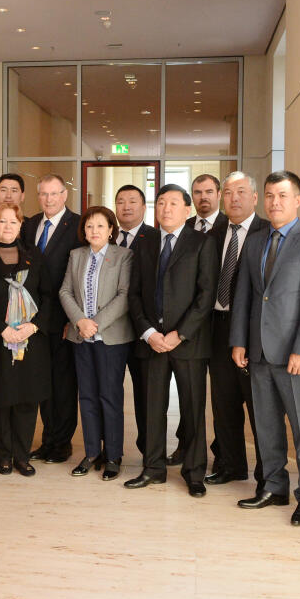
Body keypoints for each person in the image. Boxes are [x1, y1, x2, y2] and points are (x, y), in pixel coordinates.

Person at [231, 170, 300, 526]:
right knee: (267, 426)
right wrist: (239, 340)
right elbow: (243, 294)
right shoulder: (256, 240)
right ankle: (273, 487)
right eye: (270, 195)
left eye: (283, 196)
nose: (275, 202)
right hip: (257, 351)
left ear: (298, 200)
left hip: (294, 355)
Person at [124, 184, 218, 497]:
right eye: (161, 203)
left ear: (187, 209)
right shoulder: (145, 243)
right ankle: (153, 468)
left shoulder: (202, 243)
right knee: (152, 408)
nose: (166, 209)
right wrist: (149, 332)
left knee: (192, 410)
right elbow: (134, 294)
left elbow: (206, 296)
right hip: (152, 341)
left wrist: (179, 333)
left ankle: (194, 473)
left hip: (188, 342)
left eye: (174, 203)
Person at [60, 206, 134, 480]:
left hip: (111, 338)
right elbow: (65, 291)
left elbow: (124, 295)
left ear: (111, 229)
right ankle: (92, 452)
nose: (94, 231)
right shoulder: (76, 255)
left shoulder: (124, 256)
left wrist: (96, 323)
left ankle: (113, 455)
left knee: (110, 396)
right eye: (89, 226)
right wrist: (81, 321)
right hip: (81, 337)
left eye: (100, 226)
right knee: (88, 396)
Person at [0, 202, 49, 476]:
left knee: (26, 399)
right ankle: (3, 455)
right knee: (1, 398)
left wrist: (33, 326)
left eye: (13, 222)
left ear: (21, 226)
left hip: (31, 340)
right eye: (2, 221)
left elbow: (49, 297)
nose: (7, 227)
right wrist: (0, 328)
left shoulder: (34, 256)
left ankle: (22, 456)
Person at [206, 172, 267, 488]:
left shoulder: (268, 231)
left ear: (255, 197)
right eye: (228, 192)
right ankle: (231, 464)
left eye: (241, 191)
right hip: (218, 326)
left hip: (253, 331)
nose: (234, 198)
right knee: (223, 401)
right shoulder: (213, 232)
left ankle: (265, 475)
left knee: (258, 406)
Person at [23, 174, 81, 463]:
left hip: (63, 320)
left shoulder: (79, 225)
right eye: (43, 194)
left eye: (54, 194)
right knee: (42, 383)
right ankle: (47, 439)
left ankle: (61, 442)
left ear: (64, 195)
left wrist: (75, 317)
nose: (48, 199)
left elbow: (81, 274)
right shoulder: (30, 224)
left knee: (63, 384)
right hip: (33, 319)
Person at [115, 184, 159, 457]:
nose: (127, 206)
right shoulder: (105, 236)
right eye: (121, 201)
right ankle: (111, 450)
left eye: (133, 201)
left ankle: (148, 450)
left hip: (144, 331)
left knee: (146, 397)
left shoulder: (156, 237)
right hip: (112, 332)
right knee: (110, 392)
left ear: (144, 207)